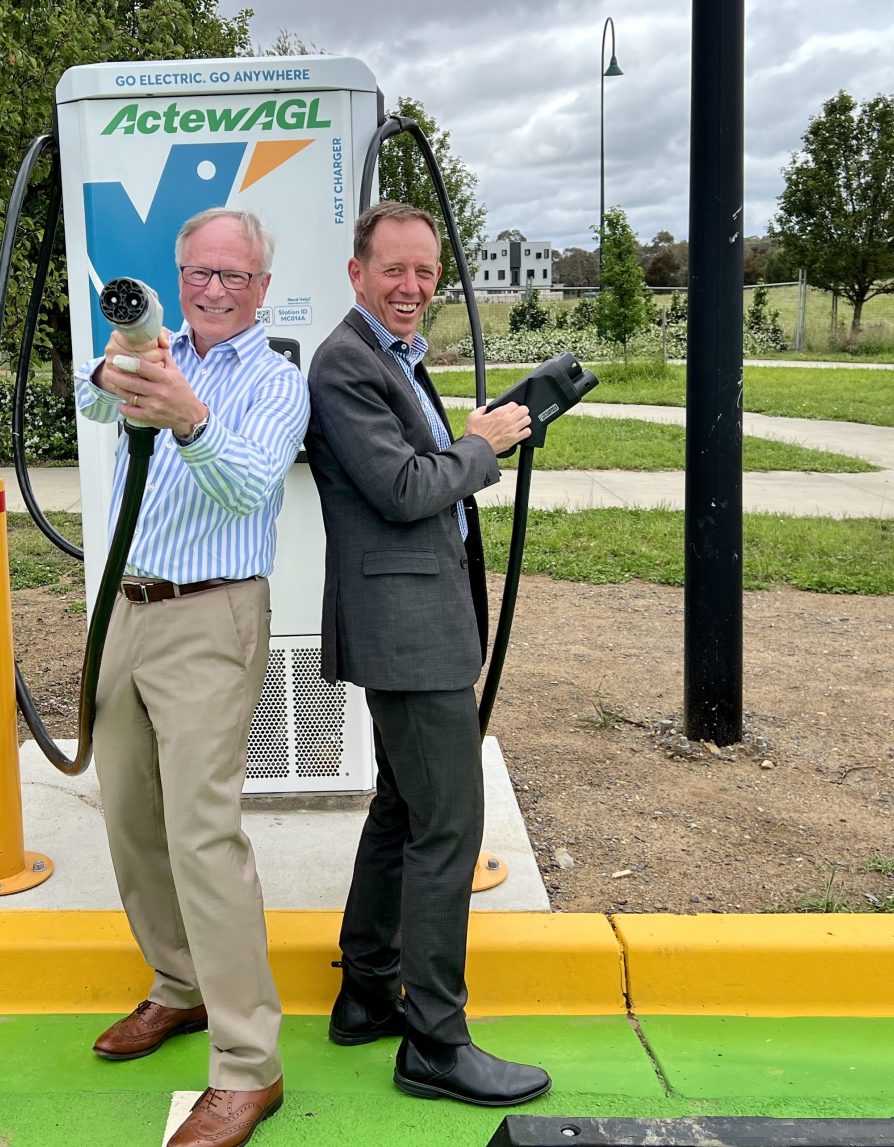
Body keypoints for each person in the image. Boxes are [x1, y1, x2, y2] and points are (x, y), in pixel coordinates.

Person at [303, 201, 552, 1107]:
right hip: (408, 633)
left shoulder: (389, 356)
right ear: (357, 272)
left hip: (416, 619)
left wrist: (475, 440)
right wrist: (481, 447)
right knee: (448, 828)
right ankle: (436, 1042)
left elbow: (422, 466)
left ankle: (368, 995)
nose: (411, 288)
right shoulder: (347, 363)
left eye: (425, 273)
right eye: (393, 271)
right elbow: (406, 486)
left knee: (403, 811)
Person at [74, 208, 308, 1147]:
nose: (213, 289)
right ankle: (179, 986)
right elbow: (90, 405)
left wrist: (192, 418)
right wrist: (113, 366)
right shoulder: (155, 348)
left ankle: (250, 1065)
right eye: (198, 272)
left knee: (204, 834)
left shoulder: (277, 379)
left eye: (233, 276)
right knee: (130, 818)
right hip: (126, 605)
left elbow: (251, 484)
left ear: (260, 287)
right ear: (178, 276)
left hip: (212, 615)